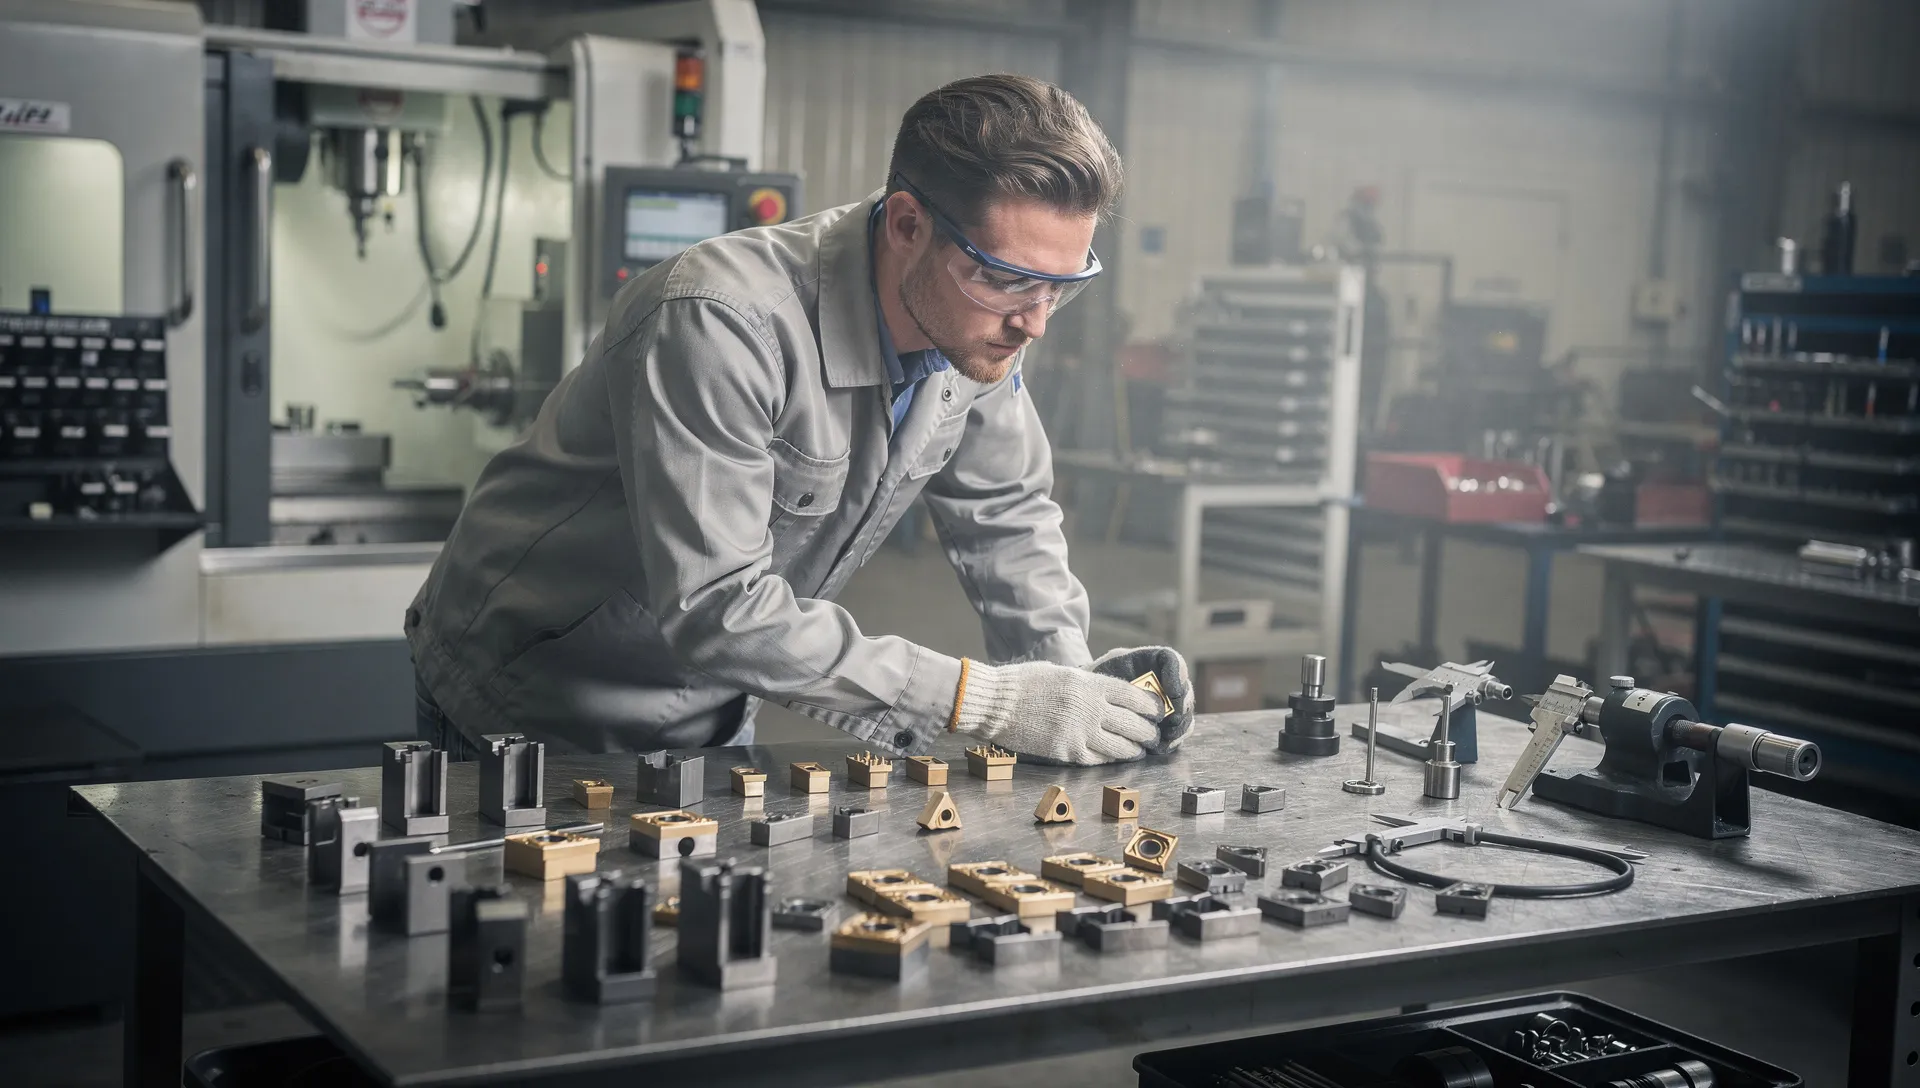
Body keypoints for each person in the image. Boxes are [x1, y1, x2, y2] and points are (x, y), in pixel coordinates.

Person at [406, 74, 1193, 765]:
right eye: (1006, 280)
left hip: (712, 708)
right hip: (530, 703)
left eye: (1059, 287)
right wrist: (988, 703)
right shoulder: (720, 320)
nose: (1035, 325)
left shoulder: (980, 323)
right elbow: (719, 607)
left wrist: (1073, 690)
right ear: (908, 224)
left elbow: (1005, 514)